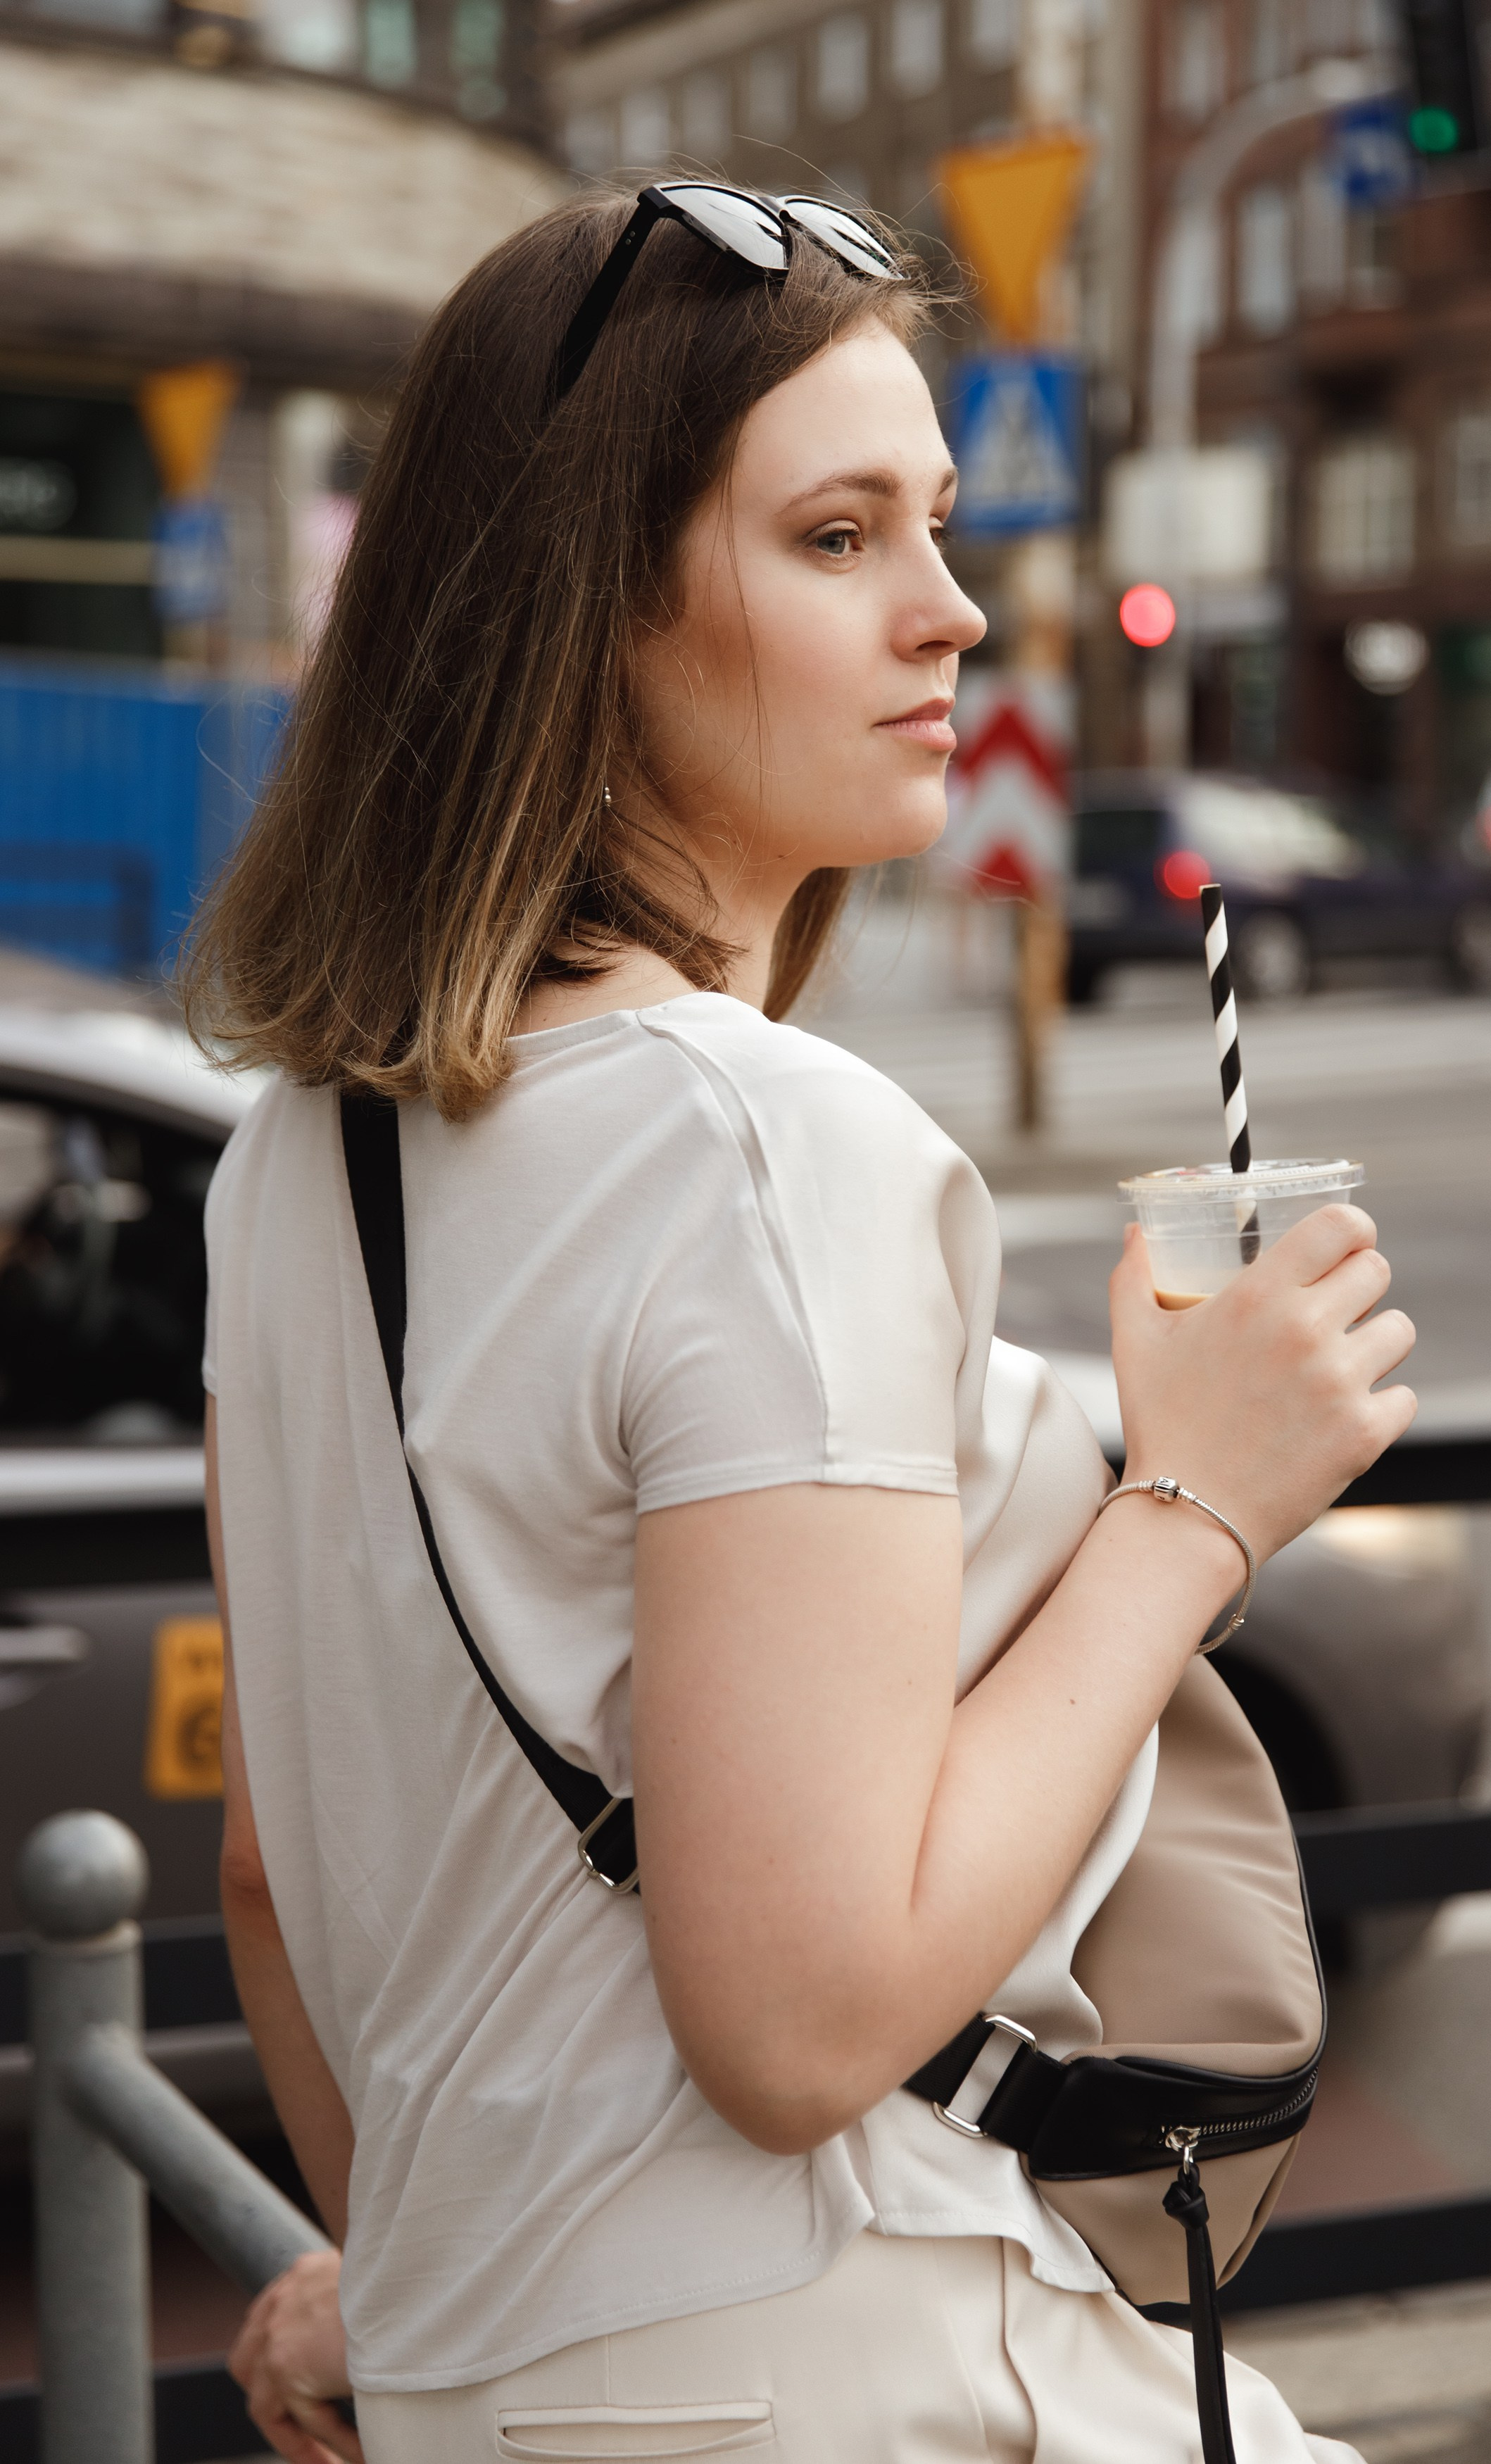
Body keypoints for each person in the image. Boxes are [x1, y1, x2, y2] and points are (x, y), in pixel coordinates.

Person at [189, 184, 1415, 2464]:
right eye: (837, 537)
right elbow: (799, 2011)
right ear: (590, 606)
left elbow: (279, 1869)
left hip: (491, 2377)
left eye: (938, 524)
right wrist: (1195, 1501)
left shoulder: (295, 1159)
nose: (951, 611)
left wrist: (464, 2310)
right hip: (858, 2365)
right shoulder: (766, 1149)